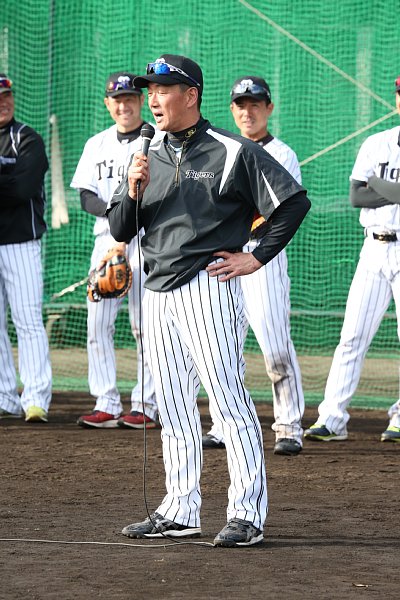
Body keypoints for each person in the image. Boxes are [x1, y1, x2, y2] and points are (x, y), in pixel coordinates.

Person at [107, 53, 311, 547]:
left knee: (227, 400)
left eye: (161, 89)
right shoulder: (145, 153)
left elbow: (292, 201)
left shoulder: (231, 149)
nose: (151, 99)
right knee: (173, 405)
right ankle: (180, 508)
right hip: (156, 291)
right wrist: (133, 189)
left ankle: (246, 512)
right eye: (148, 90)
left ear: (191, 95)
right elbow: (119, 228)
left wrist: (256, 258)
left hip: (208, 285)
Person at [202, 76, 305, 456]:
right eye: (241, 104)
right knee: (223, 346)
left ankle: (289, 425)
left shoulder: (283, 153)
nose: (248, 111)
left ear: (269, 108)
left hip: (263, 257)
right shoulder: (224, 150)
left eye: (256, 104)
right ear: (232, 109)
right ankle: (224, 424)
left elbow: (280, 212)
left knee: (275, 344)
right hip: (226, 258)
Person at [304, 74, 400, 445]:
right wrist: (386, 190)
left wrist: (376, 184)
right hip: (373, 248)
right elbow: (356, 198)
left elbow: (370, 189)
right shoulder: (377, 143)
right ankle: (332, 418)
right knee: (351, 336)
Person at [70, 72, 159, 429]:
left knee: (144, 326)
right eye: (117, 99)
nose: (124, 105)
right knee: (97, 323)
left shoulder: (157, 137)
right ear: (108, 104)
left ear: (140, 101)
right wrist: (117, 215)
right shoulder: (97, 143)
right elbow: (86, 195)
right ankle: (106, 400)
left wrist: (129, 218)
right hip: (106, 242)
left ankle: (146, 403)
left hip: (148, 241)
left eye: (130, 98)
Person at [0, 74, 52, 423]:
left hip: (21, 243)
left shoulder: (27, 138)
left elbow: (22, 189)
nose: (3, 101)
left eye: (7, 95)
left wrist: (11, 180)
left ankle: (36, 398)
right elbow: (12, 184)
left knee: (28, 321)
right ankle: (5, 397)